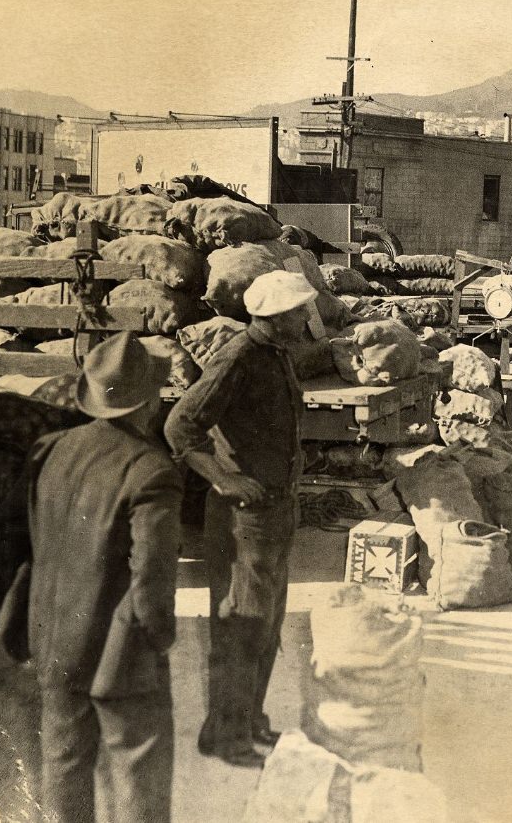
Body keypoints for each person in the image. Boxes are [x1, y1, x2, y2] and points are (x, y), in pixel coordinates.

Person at [165, 270, 317, 766]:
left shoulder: (275, 354)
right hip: (243, 517)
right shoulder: (238, 357)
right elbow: (181, 424)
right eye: (297, 310)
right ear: (272, 317)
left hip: (274, 513)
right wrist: (222, 478)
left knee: (266, 628)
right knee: (239, 626)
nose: (304, 317)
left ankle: (248, 722)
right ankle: (226, 736)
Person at [28, 332, 181, 823]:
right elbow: (152, 574)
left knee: (64, 767)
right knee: (138, 772)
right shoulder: (151, 468)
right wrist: (157, 638)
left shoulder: (52, 450)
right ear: (151, 401)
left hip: (54, 641)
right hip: (122, 653)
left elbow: (39, 542)